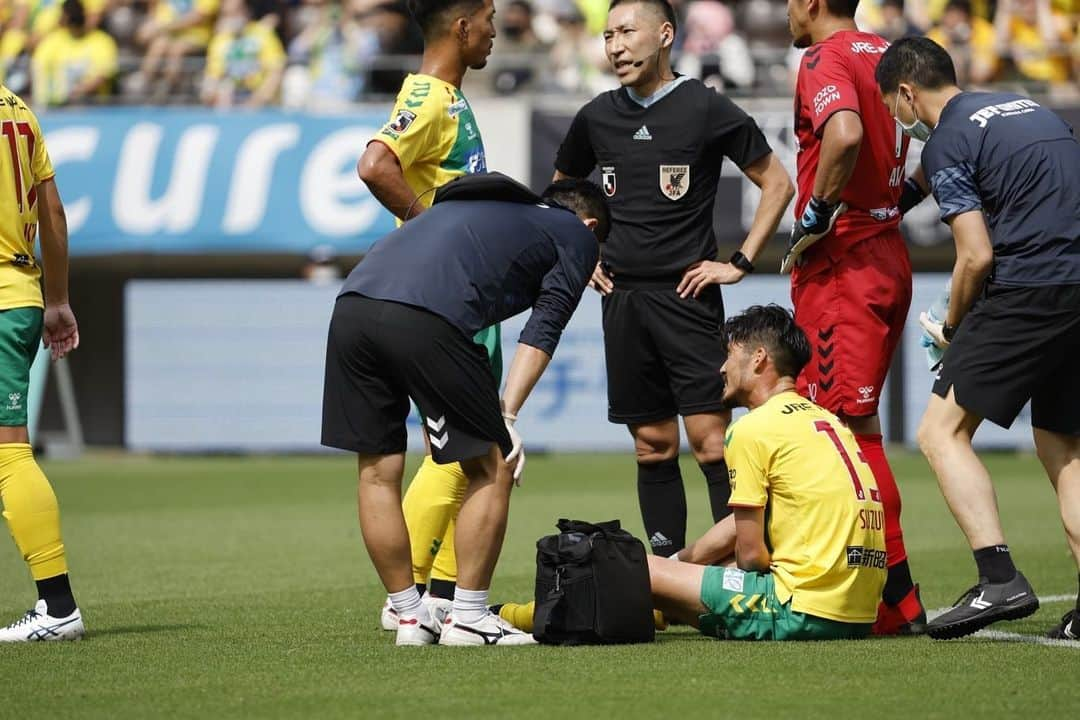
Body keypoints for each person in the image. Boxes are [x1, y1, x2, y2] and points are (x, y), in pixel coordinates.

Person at [321, 177, 610, 646]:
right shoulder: (576, 233)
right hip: (427, 314)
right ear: (591, 225)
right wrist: (508, 417)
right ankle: (470, 616)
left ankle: (410, 617)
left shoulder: (480, 209)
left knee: (377, 473)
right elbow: (545, 326)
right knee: (495, 464)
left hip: (352, 306)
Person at [553, 0, 794, 561]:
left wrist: (740, 261)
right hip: (622, 299)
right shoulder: (596, 116)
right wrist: (579, 254)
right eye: (608, 34)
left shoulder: (705, 108)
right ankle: (667, 573)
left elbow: (777, 183)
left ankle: (734, 569)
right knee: (651, 447)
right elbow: (562, 191)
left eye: (626, 32)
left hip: (688, 299)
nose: (614, 45)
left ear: (665, 34)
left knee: (713, 443)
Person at [876, 36, 1080, 640]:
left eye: (892, 106)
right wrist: (904, 194)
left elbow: (975, 255)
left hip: (1029, 286)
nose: (896, 120)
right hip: (1076, 286)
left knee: (940, 432)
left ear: (907, 93)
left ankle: (999, 579)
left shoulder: (946, 142)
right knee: (1063, 446)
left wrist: (954, 325)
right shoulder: (1021, 107)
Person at [782, 0, 925, 635]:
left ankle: (898, 599)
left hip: (844, 268)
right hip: (888, 254)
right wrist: (900, 200)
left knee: (850, 433)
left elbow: (843, 134)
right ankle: (875, 590)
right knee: (849, 426)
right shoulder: (889, 54)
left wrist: (817, 214)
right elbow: (936, 138)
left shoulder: (825, 57)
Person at [355, 0, 496, 628]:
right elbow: (374, 163)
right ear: (462, 27)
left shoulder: (452, 99)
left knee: (472, 448)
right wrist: (432, 229)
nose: (496, 29)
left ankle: (429, 594)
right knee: (475, 449)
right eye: (489, 16)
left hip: (457, 292)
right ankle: (409, 596)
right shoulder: (429, 96)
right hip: (447, 297)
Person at [647, 305, 887, 640]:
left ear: (758, 358)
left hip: (801, 609)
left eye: (729, 355)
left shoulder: (753, 429)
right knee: (690, 572)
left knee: (640, 569)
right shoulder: (827, 421)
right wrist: (681, 563)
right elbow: (742, 526)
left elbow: (750, 557)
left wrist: (672, 572)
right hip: (859, 612)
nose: (721, 368)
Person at [0, 83, 83, 642]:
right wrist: (56, 300)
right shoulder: (17, 107)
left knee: (8, 452)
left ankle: (58, 606)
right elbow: (51, 211)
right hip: (21, 291)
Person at [31, 0, 118, 107]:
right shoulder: (52, 41)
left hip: (93, 107)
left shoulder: (102, 41)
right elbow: (40, 70)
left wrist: (77, 92)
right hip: (56, 108)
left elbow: (103, 75)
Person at [201, 0, 286, 109]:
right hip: (230, 98)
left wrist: (254, 102)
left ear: (245, 11)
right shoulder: (220, 40)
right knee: (221, 88)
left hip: (258, 94)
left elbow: (276, 71)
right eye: (227, 15)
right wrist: (210, 93)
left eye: (235, 13)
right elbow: (213, 75)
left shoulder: (262, 33)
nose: (231, 18)